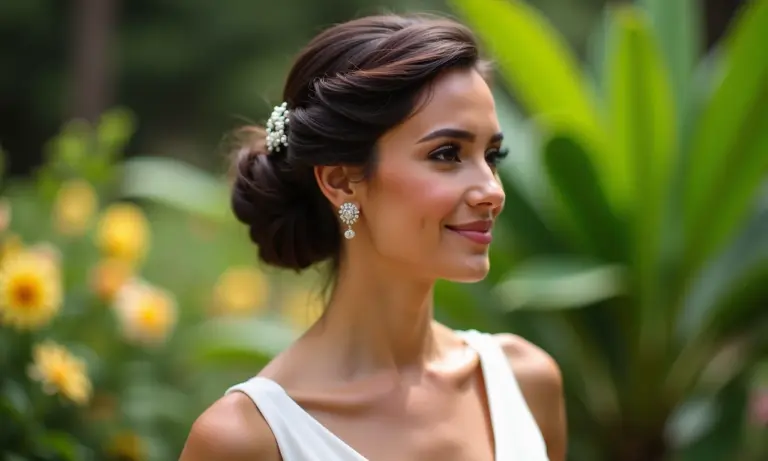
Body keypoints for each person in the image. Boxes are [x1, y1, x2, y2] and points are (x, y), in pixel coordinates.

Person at [180, 13, 566, 461]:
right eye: (447, 154)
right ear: (342, 181)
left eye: (492, 155)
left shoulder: (526, 383)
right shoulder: (247, 439)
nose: (492, 192)